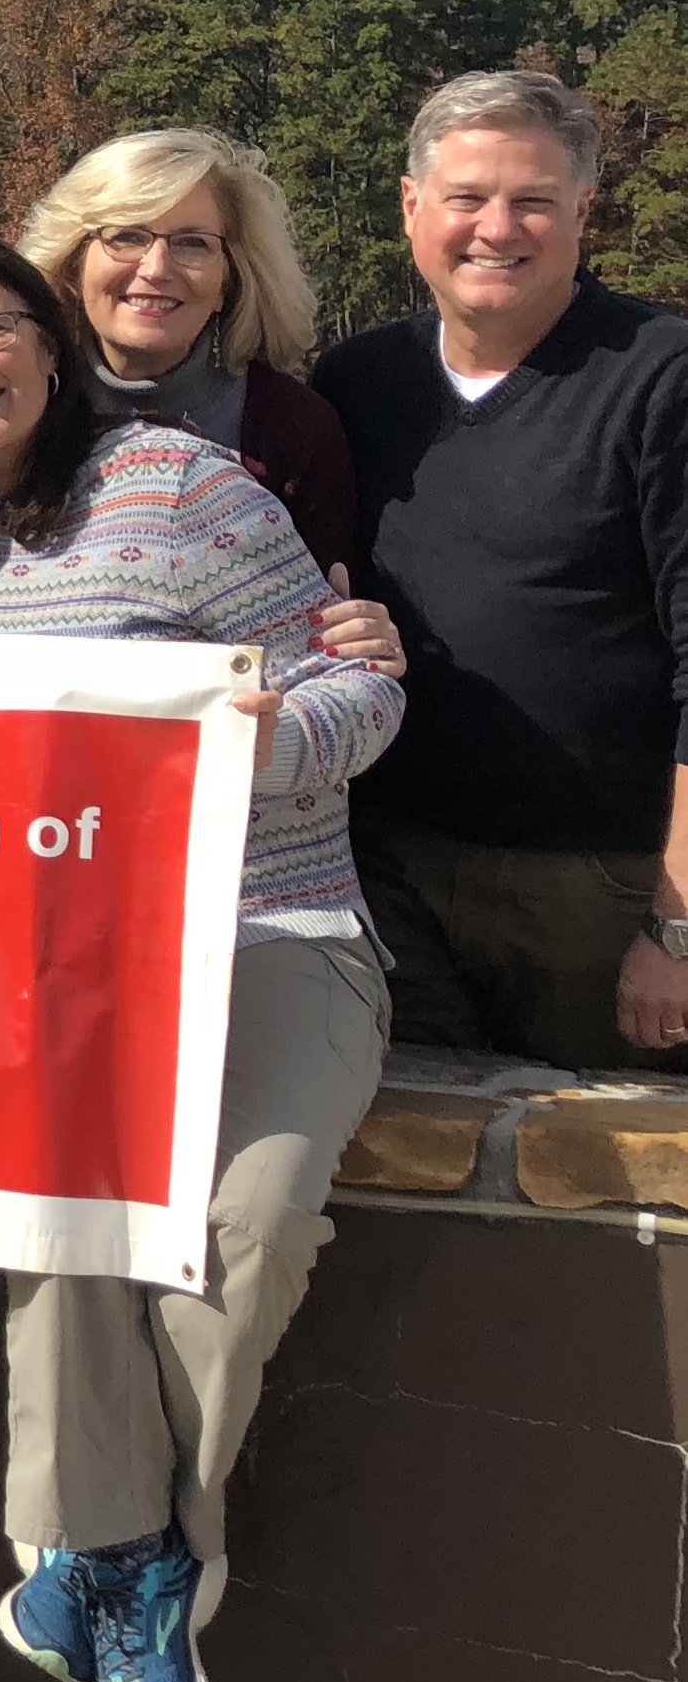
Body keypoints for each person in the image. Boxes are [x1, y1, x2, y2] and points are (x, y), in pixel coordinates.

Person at [0, 231, 404, 1682]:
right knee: (61, 1216)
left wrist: (257, 740)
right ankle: (129, 1566)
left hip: (268, 920)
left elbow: (356, 685)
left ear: (43, 339)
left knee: (245, 1225)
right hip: (54, 970)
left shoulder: (176, 484)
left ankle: (108, 1548)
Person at [313, 71, 688, 1072]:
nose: (497, 226)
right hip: (387, 865)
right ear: (410, 206)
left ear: (581, 211)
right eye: (467, 197)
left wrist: (676, 925)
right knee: (413, 1170)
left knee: (607, 1194)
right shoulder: (356, 381)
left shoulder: (660, 375)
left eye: (532, 199)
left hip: (593, 890)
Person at [17, 127, 359, 574]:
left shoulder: (292, 429)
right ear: (72, 266)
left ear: (229, 280)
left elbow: (328, 618)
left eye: (192, 243)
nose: (156, 268)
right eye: (126, 237)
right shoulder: (16, 407)